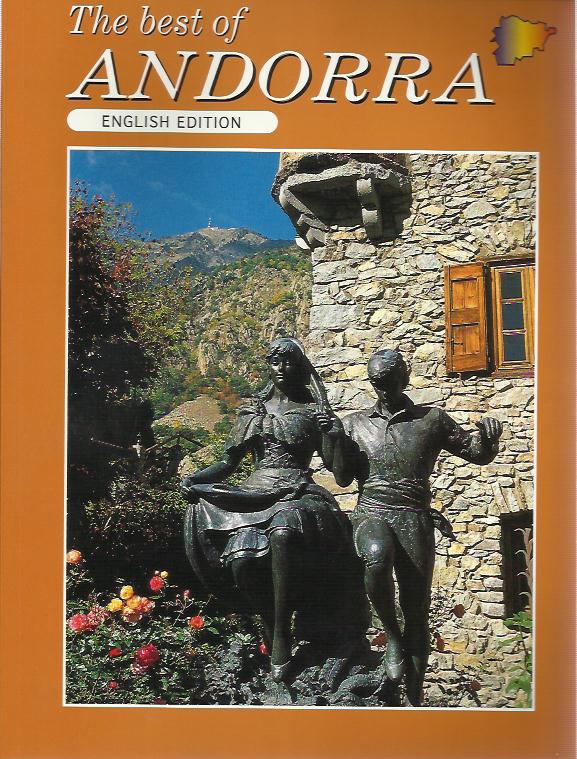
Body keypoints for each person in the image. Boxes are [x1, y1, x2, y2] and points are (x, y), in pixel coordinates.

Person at [329, 348, 503, 705]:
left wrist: (488, 438)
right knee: (376, 558)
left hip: (413, 516)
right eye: (376, 382)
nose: (382, 389)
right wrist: (334, 442)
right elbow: (343, 479)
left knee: (417, 609)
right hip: (372, 510)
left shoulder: (432, 420)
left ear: (404, 377)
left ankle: (414, 697)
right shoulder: (353, 424)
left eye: (388, 381)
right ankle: (392, 636)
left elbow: (476, 453)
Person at [182, 337, 360, 682]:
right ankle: (271, 622)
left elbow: (340, 476)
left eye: (289, 361)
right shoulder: (253, 410)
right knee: (243, 559)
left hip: (297, 490)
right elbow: (227, 463)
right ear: (268, 366)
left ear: (299, 367)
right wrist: (195, 479)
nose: (281, 368)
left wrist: (335, 436)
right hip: (254, 491)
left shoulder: (313, 412)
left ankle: (280, 638)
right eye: (275, 361)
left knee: (283, 531)